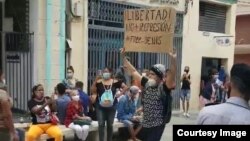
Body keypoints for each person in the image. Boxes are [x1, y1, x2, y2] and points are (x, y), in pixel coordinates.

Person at [121, 48, 176, 141]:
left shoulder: (164, 88)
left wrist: (173, 60)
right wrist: (123, 57)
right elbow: (134, 71)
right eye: (149, 74)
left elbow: (172, 74)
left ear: (160, 77)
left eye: (153, 74)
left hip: (157, 125)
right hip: (145, 123)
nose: (149, 76)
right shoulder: (147, 83)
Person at [91, 67, 128, 141]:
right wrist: (95, 80)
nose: (105, 73)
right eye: (104, 71)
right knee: (101, 124)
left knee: (110, 125)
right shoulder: (99, 82)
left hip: (112, 106)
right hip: (100, 106)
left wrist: (120, 94)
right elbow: (92, 90)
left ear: (110, 73)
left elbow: (126, 87)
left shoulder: (115, 81)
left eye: (106, 71)